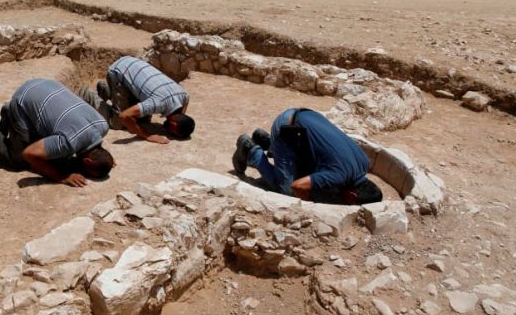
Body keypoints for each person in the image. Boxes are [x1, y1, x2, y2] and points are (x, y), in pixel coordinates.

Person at [0, 78, 115, 187]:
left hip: (46, 85)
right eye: (87, 171)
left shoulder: (102, 126)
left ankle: (10, 115)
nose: (85, 174)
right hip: (23, 99)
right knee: (18, 160)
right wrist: (62, 177)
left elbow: (97, 151)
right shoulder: (68, 142)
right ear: (87, 161)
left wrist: (105, 161)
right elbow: (29, 154)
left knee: (58, 156)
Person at [231, 108, 383, 205]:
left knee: (306, 172)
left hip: (305, 117)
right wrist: (308, 203)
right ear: (351, 196)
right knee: (286, 191)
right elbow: (297, 186)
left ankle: (267, 142)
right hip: (287, 127)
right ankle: (251, 151)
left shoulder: (364, 162)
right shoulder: (339, 175)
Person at [78, 56, 195, 144]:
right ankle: (88, 94)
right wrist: (147, 135)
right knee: (119, 123)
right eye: (172, 132)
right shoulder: (159, 103)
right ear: (173, 124)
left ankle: (106, 90)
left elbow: (186, 101)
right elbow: (124, 116)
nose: (169, 133)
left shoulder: (183, 96)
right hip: (118, 72)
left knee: (142, 119)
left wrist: (181, 116)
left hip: (133, 64)